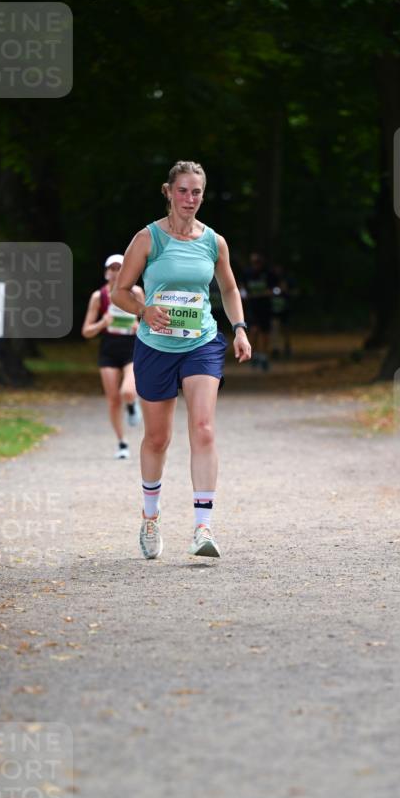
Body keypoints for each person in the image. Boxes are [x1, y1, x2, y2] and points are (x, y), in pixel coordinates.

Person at [111, 159, 251, 559]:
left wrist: (239, 328)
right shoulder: (148, 239)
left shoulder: (214, 242)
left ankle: (203, 527)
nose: (190, 199)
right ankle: (150, 519)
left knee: (204, 428)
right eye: (183, 191)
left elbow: (228, 288)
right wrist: (144, 310)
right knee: (158, 438)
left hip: (201, 343)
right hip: (155, 346)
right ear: (168, 192)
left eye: (197, 192)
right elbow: (121, 291)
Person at [81, 254, 143, 459]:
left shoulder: (135, 292)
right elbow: (86, 331)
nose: (116, 272)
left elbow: (149, 320)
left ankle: (133, 405)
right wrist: (102, 323)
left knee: (127, 391)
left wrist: (138, 326)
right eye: (113, 268)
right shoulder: (99, 297)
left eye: (120, 268)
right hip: (109, 349)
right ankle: (122, 442)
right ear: (107, 272)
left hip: (131, 347)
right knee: (113, 400)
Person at [241, 251, 274, 370]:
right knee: (254, 331)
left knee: (265, 332)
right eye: (254, 262)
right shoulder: (247, 273)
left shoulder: (268, 273)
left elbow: (274, 288)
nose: (256, 265)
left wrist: (265, 293)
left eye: (258, 262)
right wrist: (244, 294)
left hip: (265, 307)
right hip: (252, 307)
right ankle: (254, 354)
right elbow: (242, 287)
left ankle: (264, 356)